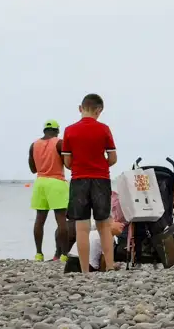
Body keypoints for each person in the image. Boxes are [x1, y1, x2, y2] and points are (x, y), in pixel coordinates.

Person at [61, 93, 117, 273]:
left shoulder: (69, 130)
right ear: (99, 110)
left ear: (80, 108)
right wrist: (101, 165)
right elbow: (113, 158)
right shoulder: (104, 129)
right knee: (104, 225)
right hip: (101, 179)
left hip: (79, 180)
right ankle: (109, 265)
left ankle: (85, 271)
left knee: (82, 228)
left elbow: (67, 162)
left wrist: (80, 166)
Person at [29, 119, 70, 262]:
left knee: (39, 220)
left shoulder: (34, 145)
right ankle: (64, 255)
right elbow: (68, 163)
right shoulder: (60, 143)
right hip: (57, 182)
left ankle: (38, 254)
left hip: (40, 182)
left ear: (44, 131)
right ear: (57, 131)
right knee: (61, 221)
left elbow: (33, 169)